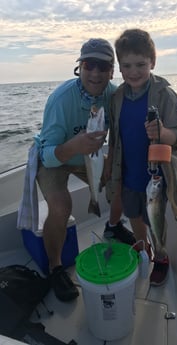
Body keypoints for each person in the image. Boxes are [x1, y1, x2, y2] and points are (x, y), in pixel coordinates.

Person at [35, 38, 135, 302]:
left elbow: (119, 135)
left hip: (90, 156)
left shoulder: (113, 95)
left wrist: (109, 158)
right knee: (60, 206)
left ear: (111, 71)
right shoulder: (60, 100)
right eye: (89, 64)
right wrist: (74, 146)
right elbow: (47, 153)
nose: (96, 73)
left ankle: (113, 225)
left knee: (124, 180)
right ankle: (55, 267)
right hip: (56, 157)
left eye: (103, 66)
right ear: (80, 67)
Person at [106, 29, 177, 286]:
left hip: (157, 176)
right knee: (134, 216)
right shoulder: (117, 97)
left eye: (140, 64)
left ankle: (161, 257)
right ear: (119, 67)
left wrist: (163, 132)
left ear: (153, 62)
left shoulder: (165, 95)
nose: (134, 71)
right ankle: (143, 250)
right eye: (126, 65)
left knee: (156, 220)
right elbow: (115, 137)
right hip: (129, 174)